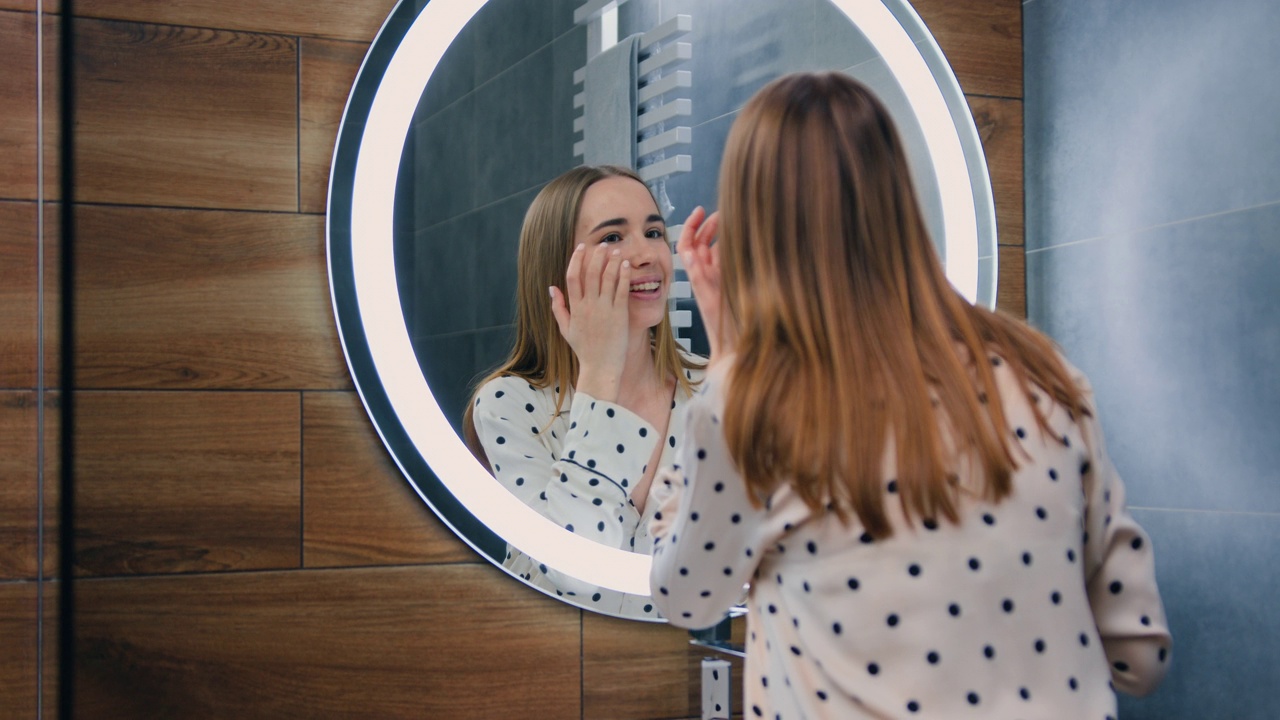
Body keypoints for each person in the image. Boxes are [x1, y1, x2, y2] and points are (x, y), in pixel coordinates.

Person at [650, 72, 1171, 718]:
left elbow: (687, 596)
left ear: (757, 230)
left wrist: (730, 360)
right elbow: (1138, 653)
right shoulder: (1043, 372)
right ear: (898, 197)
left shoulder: (752, 408)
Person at [465, 164, 704, 617]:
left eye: (653, 232)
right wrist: (599, 373)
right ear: (559, 268)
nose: (647, 253)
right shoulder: (509, 406)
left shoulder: (718, 391)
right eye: (612, 238)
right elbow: (574, 576)